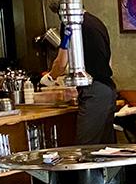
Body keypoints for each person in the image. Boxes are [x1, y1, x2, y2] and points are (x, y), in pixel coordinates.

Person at [50, 10, 118, 144]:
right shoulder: (96, 22)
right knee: (106, 148)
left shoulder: (70, 23)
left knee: (86, 147)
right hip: (108, 89)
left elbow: (61, 62)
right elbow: (109, 60)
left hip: (94, 92)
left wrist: (50, 78)